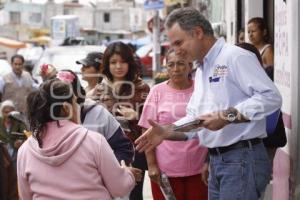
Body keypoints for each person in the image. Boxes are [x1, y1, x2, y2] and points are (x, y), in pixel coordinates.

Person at [135, 7, 282, 200]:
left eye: (179, 42)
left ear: (197, 33)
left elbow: (271, 97)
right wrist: (167, 131)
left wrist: (227, 116)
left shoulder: (234, 56)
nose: (176, 50)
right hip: (220, 160)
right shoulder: (203, 67)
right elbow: (197, 120)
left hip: (241, 159)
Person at [17, 79, 142, 200]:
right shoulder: (93, 141)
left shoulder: (25, 150)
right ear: (66, 108)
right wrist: (128, 174)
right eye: (75, 102)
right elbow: (119, 188)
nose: (78, 106)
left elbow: (25, 195)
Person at [138, 49, 208, 200]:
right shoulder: (157, 91)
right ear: (166, 67)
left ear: (190, 66)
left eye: (181, 64)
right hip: (165, 171)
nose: (176, 69)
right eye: (171, 65)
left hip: (199, 168)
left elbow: (211, 125)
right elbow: (147, 129)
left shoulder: (202, 90)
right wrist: (151, 165)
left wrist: (209, 161)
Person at [90, 42, 150, 200]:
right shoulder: (99, 89)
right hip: (105, 149)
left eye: (123, 62)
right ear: (107, 64)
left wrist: (136, 116)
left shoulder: (142, 88)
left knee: (134, 194)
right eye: (113, 62)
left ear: (130, 63)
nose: (118, 66)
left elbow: (151, 122)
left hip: (134, 150)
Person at [57, 70, 134, 165]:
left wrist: (108, 171)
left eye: (69, 98)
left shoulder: (99, 114)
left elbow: (124, 148)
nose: (63, 105)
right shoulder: (45, 121)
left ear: (77, 96)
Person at [0, 100, 26, 169]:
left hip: (15, 153)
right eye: (6, 112)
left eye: (11, 112)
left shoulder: (19, 122)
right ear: (2, 112)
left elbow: (26, 135)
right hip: (2, 153)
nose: (8, 115)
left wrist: (20, 141)